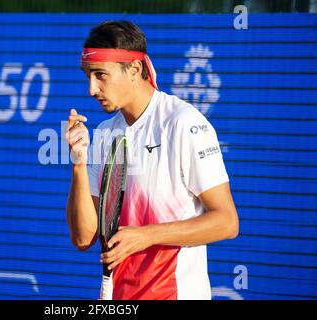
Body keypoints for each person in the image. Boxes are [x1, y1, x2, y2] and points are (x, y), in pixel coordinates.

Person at [65, 20, 239, 300]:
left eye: (100, 75)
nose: (91, 89)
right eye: (87, 76)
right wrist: (78, 164)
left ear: (134, 69)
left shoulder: (184, 123)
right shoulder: (104, 133)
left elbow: (227, 222)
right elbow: (84, 238)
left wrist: (146, 235)